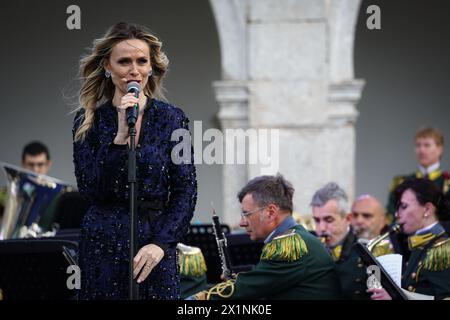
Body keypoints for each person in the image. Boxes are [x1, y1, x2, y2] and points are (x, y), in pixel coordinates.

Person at [72, 22, 197, 299]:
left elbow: (185, 190)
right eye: (124, 61)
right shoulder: (89, 120)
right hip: (103, 244)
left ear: (151, 67)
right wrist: (119, 136)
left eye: (142, 61)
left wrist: (161, 244)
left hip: (154, 242)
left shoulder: (171, 119)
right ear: (107, 65)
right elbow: (90, 189)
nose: (134, 70)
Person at [192, 174, 341, 300]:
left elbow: (245, 290)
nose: (242, 222)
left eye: (246, 214)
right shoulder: (297, 238)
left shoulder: (289, 246)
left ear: (270, 212)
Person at [369, 178, 450, 300]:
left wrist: (398, 296)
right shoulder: (415, 243)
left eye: (404, 206)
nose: (397, 214)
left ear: (427, 209)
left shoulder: (443, 249)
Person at [311, 182, 370, 299]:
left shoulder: (366, 252)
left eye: (328, 220)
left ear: (348, 219)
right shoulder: (306, 246)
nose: (321, 228)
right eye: (317, 220)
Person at [387, 127, 449, 222]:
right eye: (418, 145)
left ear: (440, 149)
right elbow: (391, 214)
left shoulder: (446, 183)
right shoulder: (402, 182)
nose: (421, 150)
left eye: (427, 145)